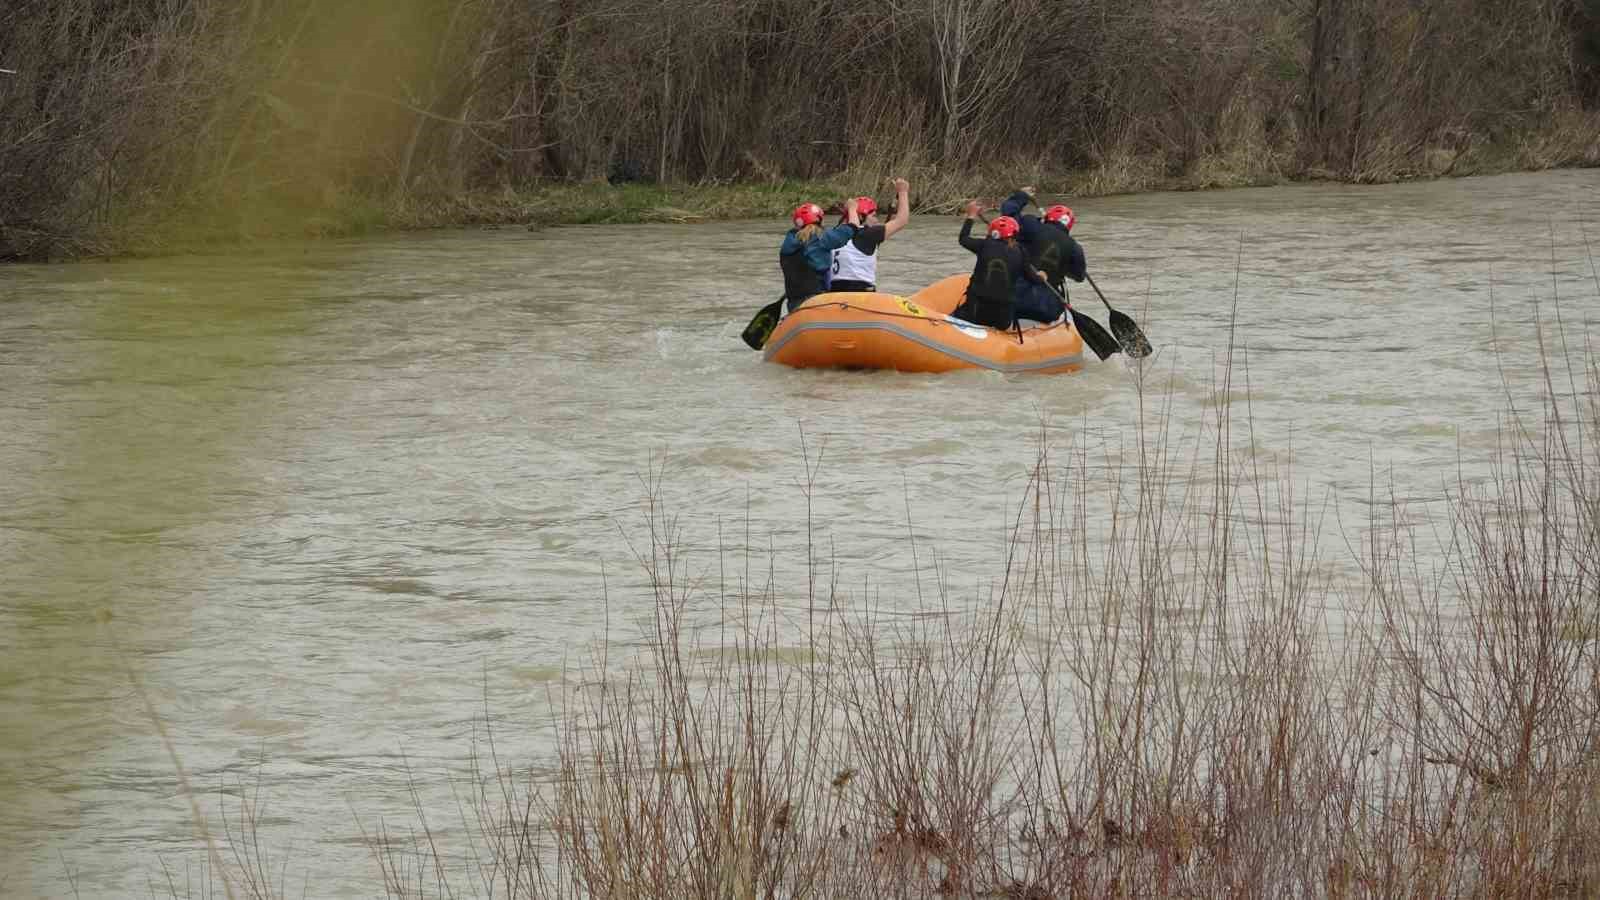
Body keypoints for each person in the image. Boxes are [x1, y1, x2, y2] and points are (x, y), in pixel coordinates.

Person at [954, 200, 1046, 330]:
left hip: (975, 313)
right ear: (1015, 234)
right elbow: (1033, 279)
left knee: (960, 311)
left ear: (992, 233)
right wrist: (1042, 276)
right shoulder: (1021, 252)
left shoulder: (983, 245)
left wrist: (971, 216)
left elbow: (963, 238)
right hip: (1001, 319)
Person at [1000, 187, 1087, 323]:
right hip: (1046, 309)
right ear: (1069, 226)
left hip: (1011, 298)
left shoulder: (1030, 225)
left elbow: (1008, 213)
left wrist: (1022, 196)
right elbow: (1079, 276)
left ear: (1047, 218)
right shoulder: (1074, 248)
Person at [829, 177, 911, 292]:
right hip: (861, 293)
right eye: (873, 215)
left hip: (834, 293)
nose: (877, 220)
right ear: (861, 217)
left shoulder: (835, 233)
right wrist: (903, 192)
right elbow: (902, 220)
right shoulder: (868, 234)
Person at [780, 199, 860, 312]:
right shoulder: (821, 237)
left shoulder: (788, 242)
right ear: (819, 219)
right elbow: (853, 227)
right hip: (817, 302)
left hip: (794, 304)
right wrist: (852, 209)